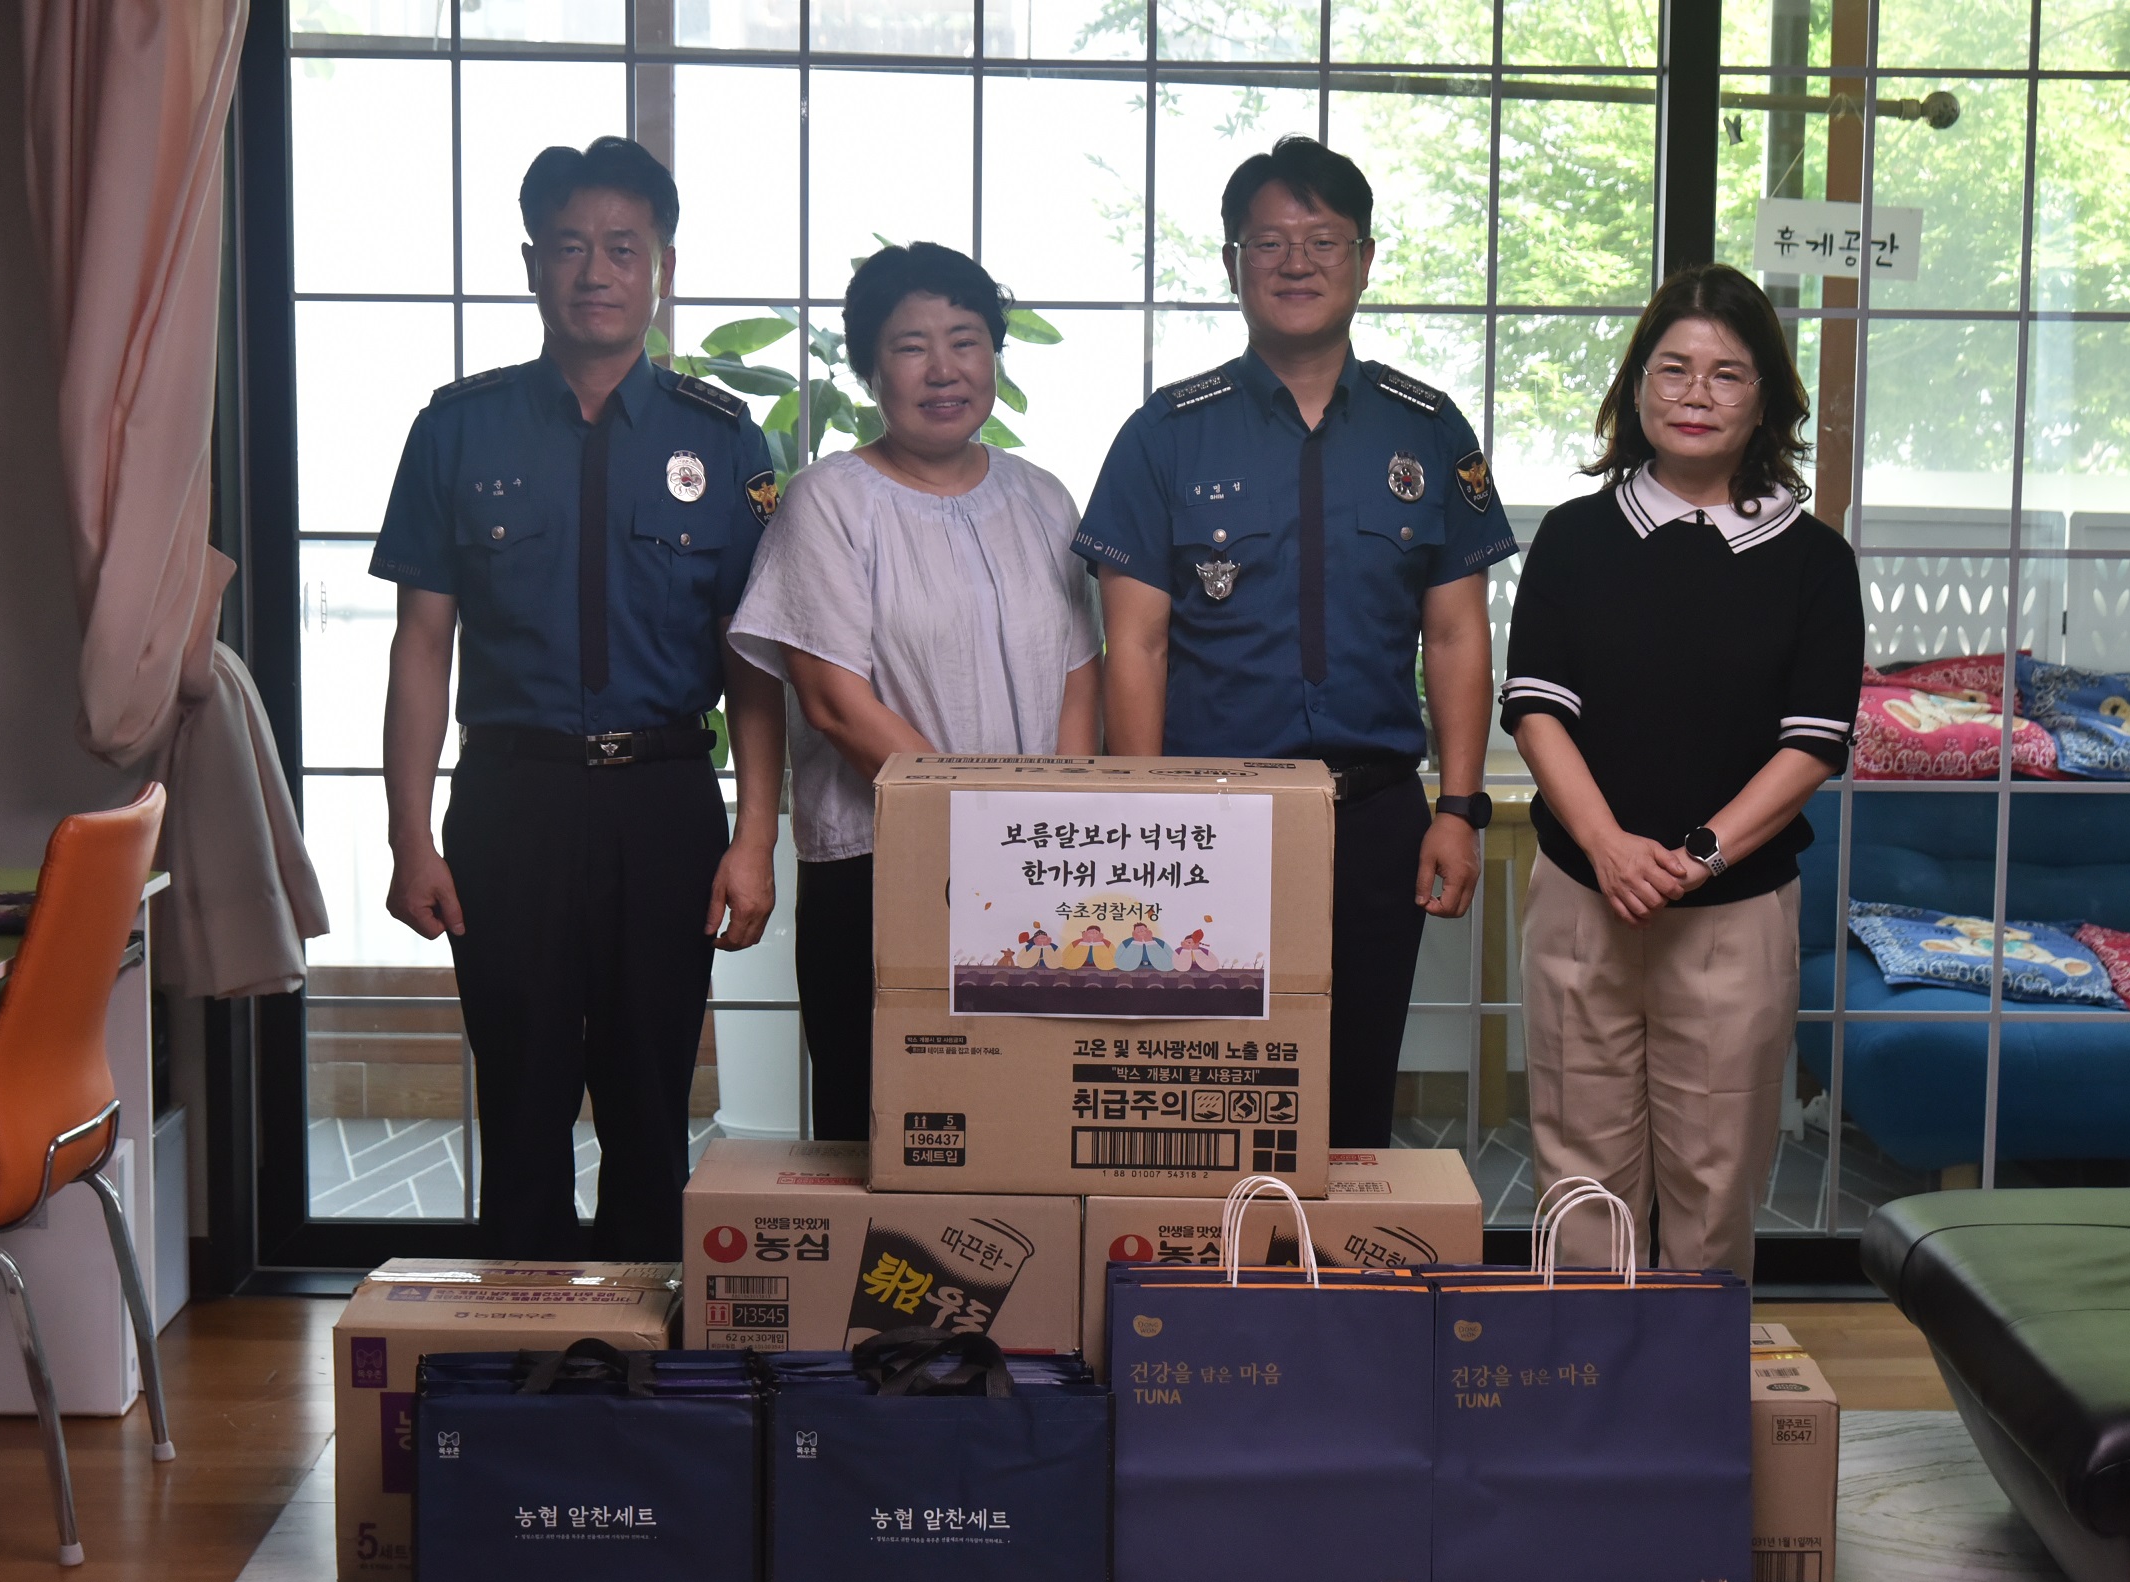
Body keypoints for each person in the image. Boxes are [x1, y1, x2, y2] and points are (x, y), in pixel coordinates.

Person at [373, 137, 785, 1260]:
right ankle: (523, 1348)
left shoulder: (721, 436)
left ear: (662, 268)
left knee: (652, 1099)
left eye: (622, 248)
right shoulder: (457, 429)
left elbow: (753, 663)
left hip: (665, 800)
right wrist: (409, 836)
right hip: (512, 802)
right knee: (521, 1096)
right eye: (568, 247)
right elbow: (421, 646)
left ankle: (644, 1354)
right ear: (530, 265)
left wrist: (754, 837)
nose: (595, 272)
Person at [1078, 136, 1516, 1148]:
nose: (1295, 262)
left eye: (1323, 240)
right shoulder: (1165, 433)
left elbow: (1456, 633)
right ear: (1231, 263)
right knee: (1196, 1091)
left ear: (1365, 259)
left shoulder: (1427, 428)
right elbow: (1133, 646)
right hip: (1207, 817)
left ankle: (1333, 1257)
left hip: (1374, 816)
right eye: (1268, 241)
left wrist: (1457, 808)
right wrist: (1145, 819)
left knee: (1353, 1101)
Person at [1498, 262, 1864, 1278]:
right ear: (1636, 386)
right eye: (1672, 368)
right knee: (1579, 1173)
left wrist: (1698, 854)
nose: (1696, 394)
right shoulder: (1574, 538)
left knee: (1713, 1176)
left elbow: (1811, 744)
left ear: (1765, 399)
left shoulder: (1813, 561)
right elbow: (1535, 709)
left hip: (1733, 907)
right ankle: (1584, 1369)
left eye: (1727, 373)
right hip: (1584, 895)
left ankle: (1689, 1377)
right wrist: (1609, 849)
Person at [729, 242, 1101, 1141]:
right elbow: (833, 703)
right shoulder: (827, 502)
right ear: (870, 369)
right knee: (884, 1133)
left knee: (1027, 1126)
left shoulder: (1044, 499)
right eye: (910, 346)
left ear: (993, 356)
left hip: (1037, 871)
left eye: (965, 341)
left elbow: (1077, 678)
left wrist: (1050, 830)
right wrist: (980, 826)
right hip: (878, 869)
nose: (943, 369)